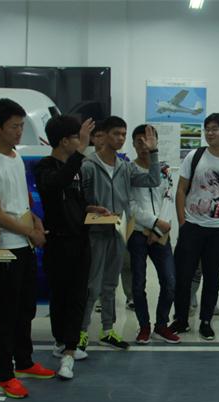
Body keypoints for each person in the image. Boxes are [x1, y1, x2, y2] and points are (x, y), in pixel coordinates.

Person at [0, 98, 56, 399]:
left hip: (24, 246)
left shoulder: (15, 157)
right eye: (14, 126)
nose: (19, 131)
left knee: (25, 309)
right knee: (5, 315)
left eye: (22, 126)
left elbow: (21, 201)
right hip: (4, 250)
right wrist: (30, 232)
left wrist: (35, 222)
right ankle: (5, 374)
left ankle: (24, 361)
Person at [78, 117, 161, 351]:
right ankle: (81, 331)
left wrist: (153, 152)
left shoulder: (125, 167)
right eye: (116, 133)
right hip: (95, 233)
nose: (121, 138)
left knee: (110, 284)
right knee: (92, 286)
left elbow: (153, 179)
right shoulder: (88, 165)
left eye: (124, 134)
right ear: (103, 135)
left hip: (117, 231)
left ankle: (107, 330)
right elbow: (78, 200)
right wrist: (90, 208)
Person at [170, 113, 219, 341]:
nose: (209, 133)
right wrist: (182, 222)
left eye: (215, 129)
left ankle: (206, 321)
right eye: (207, 129)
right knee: (183, 276)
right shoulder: (194, 157)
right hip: (192, 226)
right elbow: (181, 190)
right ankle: (181, 319)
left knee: (213, 279)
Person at [34, 115, 98, 380]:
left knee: (78, 295)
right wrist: (80, 151)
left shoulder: (76, 167)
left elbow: (75, 198)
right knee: (60, 295)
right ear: (64, 141)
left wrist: (91, 209)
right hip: (58, 241)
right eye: (76, 138)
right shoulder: (45, 167)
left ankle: (70, 348)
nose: (80, 143)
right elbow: (56, 184)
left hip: (81, 239)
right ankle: (63, 343)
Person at [127, 124, 180, 344]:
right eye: (139, 142)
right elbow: (130, 205)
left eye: (148, 141)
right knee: (138, 284)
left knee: (170, 281)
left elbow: (168, 198)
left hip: (161, 235)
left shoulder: (164, 170)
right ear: (133, 144)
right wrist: (152, 223)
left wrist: (158, 229)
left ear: (155, 142)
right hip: (138, 234)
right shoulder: (128, 170)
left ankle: (161, 325)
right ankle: (144, 327)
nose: (144, 146)